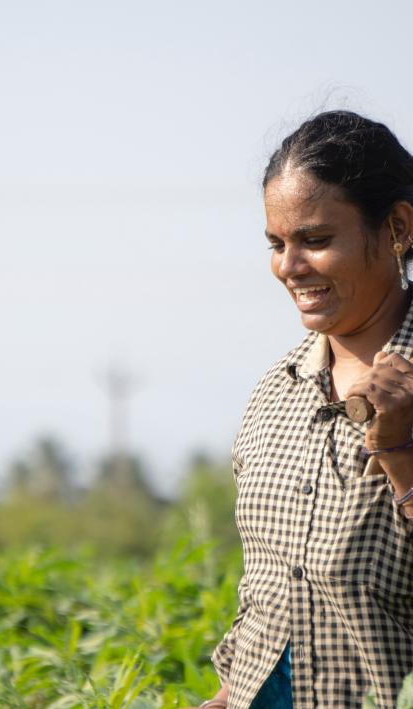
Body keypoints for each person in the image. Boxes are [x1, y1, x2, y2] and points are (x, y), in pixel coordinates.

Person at [182, 110, 413, 709]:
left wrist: (400, 453)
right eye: (276, 244)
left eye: (315, 240)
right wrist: (231, 695)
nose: (289, 267)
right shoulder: (275, 392)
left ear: (397, 227)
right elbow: (269, 589)